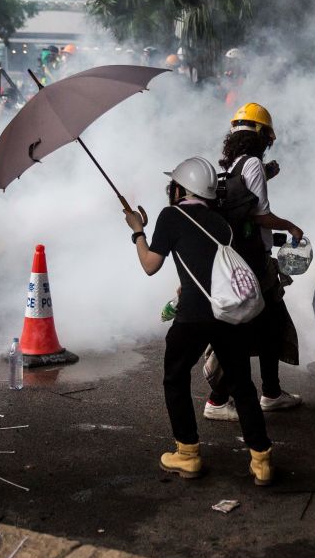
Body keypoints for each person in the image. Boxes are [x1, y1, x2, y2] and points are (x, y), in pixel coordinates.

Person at [123, 157, 274, 485]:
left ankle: (188, 454)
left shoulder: (170, 215)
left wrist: (138, 231)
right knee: (242, 384)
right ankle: (261, 460)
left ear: (180, 188)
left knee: (175, 378)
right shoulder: (221, 222)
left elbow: (150, 265)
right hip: (227, 314)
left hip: (192, 316)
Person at [203, 103, 303, 421]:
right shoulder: (253, 166)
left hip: (238, 258)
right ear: (262, 136)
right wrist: (289, 226)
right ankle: (218, 399)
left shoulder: (232, 164)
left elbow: (243, 204)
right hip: (254, 263)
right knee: (245, 329)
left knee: (266, 325)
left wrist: (267, 174)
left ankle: (271, 392)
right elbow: (260, 215)